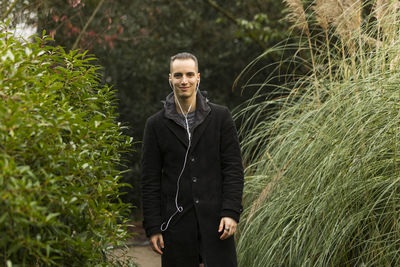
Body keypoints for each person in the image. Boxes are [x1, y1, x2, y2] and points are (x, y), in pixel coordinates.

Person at [141, 52, 244, 267]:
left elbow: (233, 168)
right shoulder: (155, 125)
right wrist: (153, 227)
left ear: (198, 77)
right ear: (170, 79)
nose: (184, 81)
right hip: (176, 227)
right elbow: (149, 180)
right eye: (178, 75)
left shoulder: (220, 117)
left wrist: (231, 212)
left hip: (217, 224)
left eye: (189, 74)